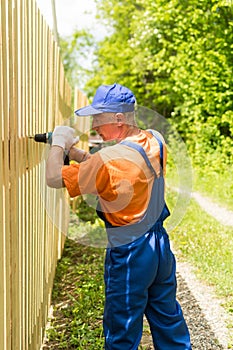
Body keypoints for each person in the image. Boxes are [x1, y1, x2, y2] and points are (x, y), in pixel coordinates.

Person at [46, 83, 191, 349]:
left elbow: (54, 178)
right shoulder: (155, 139)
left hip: (130, 252)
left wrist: (58, 143)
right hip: (159, 247)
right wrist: (79, 155)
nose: (94, 125)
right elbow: (115, 168)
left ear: (119, 119)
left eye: (98, 119)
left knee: (122, 327)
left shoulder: (108, 160)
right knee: (167, 318)